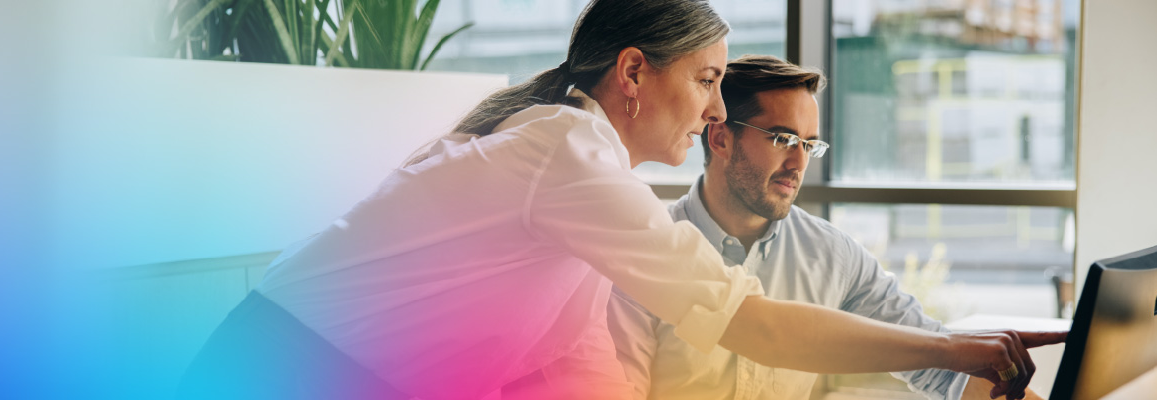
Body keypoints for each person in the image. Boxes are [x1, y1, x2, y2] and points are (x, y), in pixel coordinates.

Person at [178, 1, 1064, 399]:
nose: (719, 110)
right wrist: (957, 346)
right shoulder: (565, 154)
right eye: (709, 80)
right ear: (634, 73)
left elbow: (571, 371)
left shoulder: (583, 181)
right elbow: (751, 323)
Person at [607, 55, 1050, 400]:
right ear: (720, 138)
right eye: (782, 139)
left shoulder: (832, 255)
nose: (799, 164)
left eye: (809, 145)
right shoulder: (651, 255)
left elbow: (939, 367)